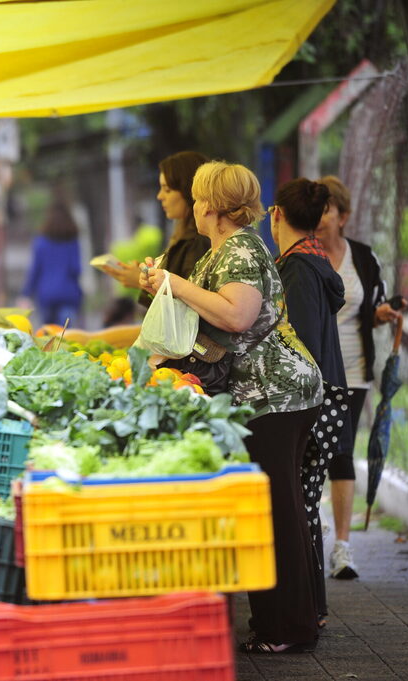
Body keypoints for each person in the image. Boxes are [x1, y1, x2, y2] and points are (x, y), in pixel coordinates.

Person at [139, 161, 323, 654]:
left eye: (200, 198)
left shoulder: (240, 249)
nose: (195, 206)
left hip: (274, 396)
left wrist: (173, 283)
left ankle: (287, 629)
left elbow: (238, 316)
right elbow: (211, 320)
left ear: (213, 206)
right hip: (265, 396)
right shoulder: (224, 250)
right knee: (276, 507)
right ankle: (286, 623)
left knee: (276, 511)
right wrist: (161, 288)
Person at [316, 175, 404, 580]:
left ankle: (343, 548)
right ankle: (313, 531)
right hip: (312, 374)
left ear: (343, 216)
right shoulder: (303, 257)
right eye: (316, 209)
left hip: (353, 373)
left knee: (341, 453)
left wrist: (382, 314)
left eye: (327, 209)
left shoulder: (364, 258)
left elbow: (374, 306)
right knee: (312, 453)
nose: (320, 217)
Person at [270, 178, 349, 629]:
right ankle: (313, 608)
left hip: (311, 400)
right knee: (304, 503)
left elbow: (299, 348)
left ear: (277, 214)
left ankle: (307, 610)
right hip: (327, 396)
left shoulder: (298, 269)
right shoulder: (313, 261)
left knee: (299, 506)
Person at [101, 151, 211, 306]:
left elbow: (188, 309)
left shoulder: (197, 243)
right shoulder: (183, 238)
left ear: (190, 191)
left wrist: (142, 282)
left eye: (167, 190)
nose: (160, 196)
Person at [19, 200, 83, 326]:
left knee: (48, 333)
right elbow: (76, 269)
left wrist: (26, 293)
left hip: (46, 294)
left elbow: (35, 271)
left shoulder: (41, 242)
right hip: (68, 294)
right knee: (65, 334)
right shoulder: (72, 242)